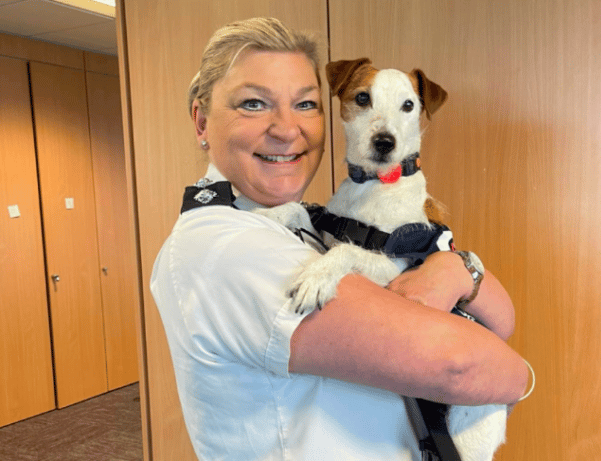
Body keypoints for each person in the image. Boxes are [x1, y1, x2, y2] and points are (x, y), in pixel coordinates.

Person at [151, 17, 529, 461]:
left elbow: (502, 320)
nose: (287, 129)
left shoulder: (302, 222)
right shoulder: (227, 250)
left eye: (305, 104)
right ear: (201, 121)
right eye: (253, 104)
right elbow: (460, 365)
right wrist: (520, 376)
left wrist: (457, 269)